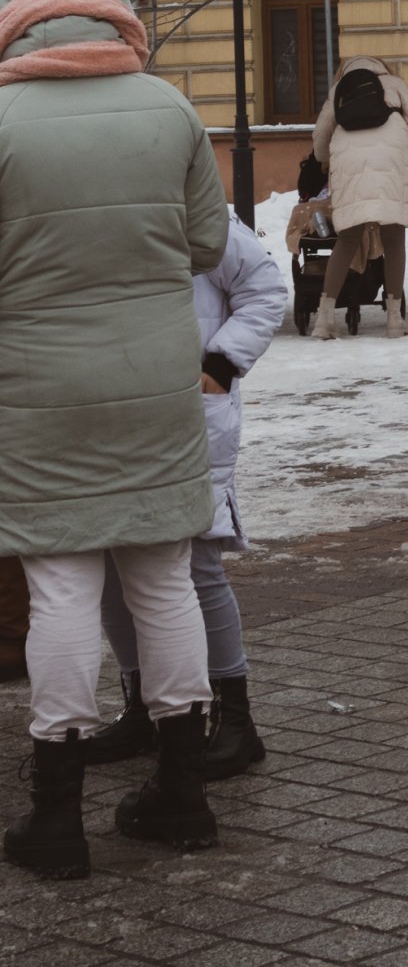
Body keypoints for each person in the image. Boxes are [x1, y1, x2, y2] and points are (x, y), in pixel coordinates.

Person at [0, 0, 231, 881]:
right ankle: (183, 789)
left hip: (39, 391)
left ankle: (57, 814)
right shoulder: (169, 108)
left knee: (59, 588)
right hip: (155, 383)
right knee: (163, 578)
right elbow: (210, 244)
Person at [92, 215, 287, 779]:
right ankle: (144, 710)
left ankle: (235, 720)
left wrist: (222, 361)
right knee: (109, 556)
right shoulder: (89, 206)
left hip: (189, 409)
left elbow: (266, 288)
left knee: (197, 561)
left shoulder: (199, 215)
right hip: (111, 408)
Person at [310, 55, 408, 339]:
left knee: (348, 238)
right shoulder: (395, 85)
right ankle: (393, 320)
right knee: (393, 239)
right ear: (383, 67)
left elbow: (319, 137)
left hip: (348, 168)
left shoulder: (339, 90)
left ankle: (324, 320)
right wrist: (404, 158)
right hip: (391, 164)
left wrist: (326, 161)